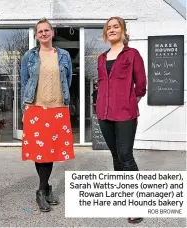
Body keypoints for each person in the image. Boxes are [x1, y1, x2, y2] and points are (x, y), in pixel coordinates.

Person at [20, 18, 75, 212]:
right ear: (36, 35)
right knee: (39, 151)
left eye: (46, 30)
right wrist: (24, 109)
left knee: (51, 150)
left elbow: (67, 81)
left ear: (52, 33)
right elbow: (24, 83)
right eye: (40, 31)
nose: (43, 33)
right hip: (35, 108)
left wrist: (62, 101)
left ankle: (44, 188)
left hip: (58, 108)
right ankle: (42, 190)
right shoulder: (29, 56)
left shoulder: (64, 55)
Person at [96, 17, 147, 224]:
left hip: (125, 113)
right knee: (116, 156)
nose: (111, 30)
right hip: (104, 114)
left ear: (124, 30)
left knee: (126, 156)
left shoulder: (132, 54)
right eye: (108, 28)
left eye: (115, 26)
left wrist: (127, 101)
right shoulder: (101, 57)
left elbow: (141, 85)